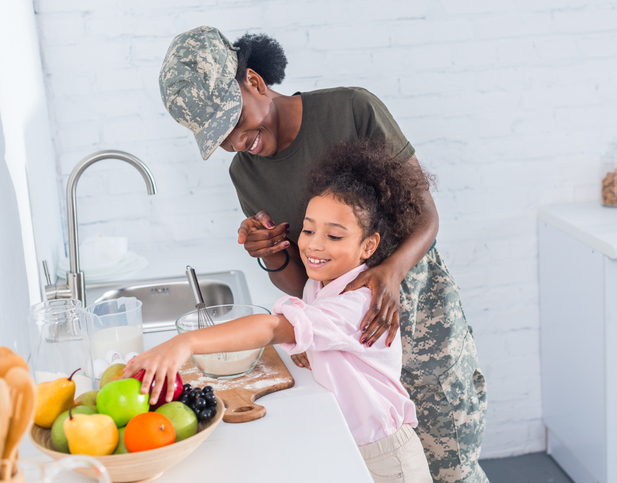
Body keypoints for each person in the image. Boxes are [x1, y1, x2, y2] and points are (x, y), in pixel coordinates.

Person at [158, 26, 487, 483]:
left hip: (419, 318)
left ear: (253, 82)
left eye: (234, 121)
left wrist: (390, 271)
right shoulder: (246, 176)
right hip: (346, 343)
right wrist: (272, 256)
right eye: (220, 137)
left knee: (451, 464)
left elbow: (427, 217)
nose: (235, 142)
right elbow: (308, 284)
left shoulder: (351, 109)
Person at [124, 140, 433, 482]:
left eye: (334, 236)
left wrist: (184, 344)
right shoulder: (322, 283)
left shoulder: (359, 300)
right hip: (349, 441)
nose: (314, 244)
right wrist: (310, 345)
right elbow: (314, 330)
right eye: (310, 228)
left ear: (368, 246)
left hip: (385, 457)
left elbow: (272, 328)